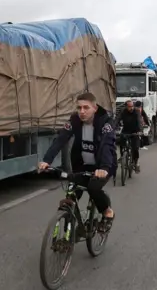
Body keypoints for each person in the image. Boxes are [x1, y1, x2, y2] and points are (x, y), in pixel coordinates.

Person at [38, 92, 116, 232]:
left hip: (102, 165)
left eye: (86, 108)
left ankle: (107, 212)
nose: (82, 111)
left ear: (95, 108)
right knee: (71, 196)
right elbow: (60, 139)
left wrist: (104, 167)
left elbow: (107, 144)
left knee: (93, 188)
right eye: (79, 108)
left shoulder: (106, 122)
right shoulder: (74, 120)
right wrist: (46, 161)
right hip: (81, 164)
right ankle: (68, 234)